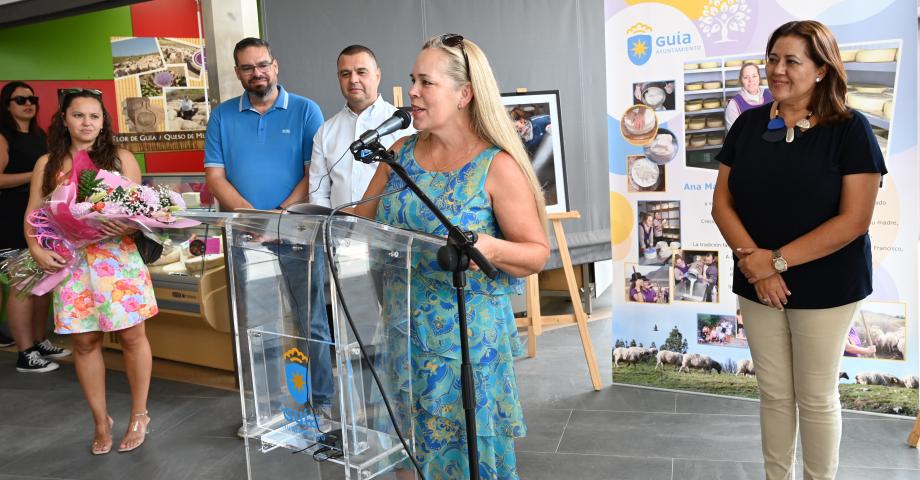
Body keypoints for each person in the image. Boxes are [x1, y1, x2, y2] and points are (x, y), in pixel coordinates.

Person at [355, 33, 549, 479]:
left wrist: (484, 245)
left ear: (464, 94)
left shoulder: (496, 166)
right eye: (412, 80)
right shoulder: (398, 154)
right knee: (412, 450)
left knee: (464, 456)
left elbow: (536, 254)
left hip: (468, 343)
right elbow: (360, 226)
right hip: (404, 332)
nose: (414, 93)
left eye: (427, 82)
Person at [711, 20, 886, 480]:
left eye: (792, 61)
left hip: (827, 285)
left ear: (823, 69)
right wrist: (759, 266)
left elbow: (854, 220)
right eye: (772, 59)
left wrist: (778, 260)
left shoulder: (851, 130)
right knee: (773, 393)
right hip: (757, 281)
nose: (777, 70)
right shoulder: (748, 124)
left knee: (815, 396)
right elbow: (722, 202)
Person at [203, 37, 326, 437]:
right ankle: (263, 408)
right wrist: (254, 220)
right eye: (247, 67)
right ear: (238, 73)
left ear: (276, 65)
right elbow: (215, 177)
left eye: (263, 64)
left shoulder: (306, 110)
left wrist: (280, 216)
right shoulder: (222, 117)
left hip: (296, 232)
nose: (257, 73)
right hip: (245, 236)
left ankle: (320, 404)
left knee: (312, 322)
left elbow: (314, 173)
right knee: (254, 324)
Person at [24, 89, 158, 454]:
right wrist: (36, 248)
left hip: (118, 261)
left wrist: (127, 226)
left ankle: (139, 414)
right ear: (64, 119)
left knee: (132, 337)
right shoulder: (46, 164)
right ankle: (101, 421)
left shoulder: (121, 159)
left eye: (94, 116)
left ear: (103, 122)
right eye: (78, 115)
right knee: (83, 342)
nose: (86, 122)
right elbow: (34, 214)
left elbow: (142, 212)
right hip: (71, 263)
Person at [1, 81, 72, 373]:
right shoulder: (4, 137)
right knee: (23, 286)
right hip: (10, 218)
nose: (28, 104)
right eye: (20, 100)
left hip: (44, 222)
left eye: (32, 99)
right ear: (7, 105)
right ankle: (24, 352)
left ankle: (39, 340)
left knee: (43, 285)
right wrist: (37, 174)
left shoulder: (40, 136)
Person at [309, 44, 414, 208]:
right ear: (339, 78)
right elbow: (318, 194)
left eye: (361, 72)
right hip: (338, 230)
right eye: (345, 74)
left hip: (389, 230)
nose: (353, 80)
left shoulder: (404, 125)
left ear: (377, 76)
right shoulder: (325, 131)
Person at [725, 62, 774, 131]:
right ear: (741, 81)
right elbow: (734, 134)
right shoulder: (734, 104)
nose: (751, 80)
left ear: (759, 78)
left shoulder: (770, 95)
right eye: (746, 77)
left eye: (754, 76)